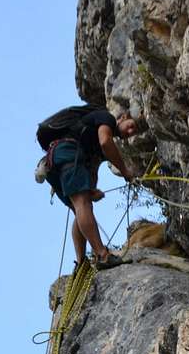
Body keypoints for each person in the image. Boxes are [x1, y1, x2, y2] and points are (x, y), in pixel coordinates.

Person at [45, 110, 145, 268]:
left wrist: (92, 191)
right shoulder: (107, 119)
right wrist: (125, 171)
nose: (130, 132)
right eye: (131, 126)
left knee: (80, 208)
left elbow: (93, 169)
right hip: (68, 153)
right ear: (123, 117)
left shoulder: (93, 145)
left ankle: (81, 263)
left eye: (133, 132)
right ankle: (102, 255)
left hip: (54, 164)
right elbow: (105, 141)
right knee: (82, 205)